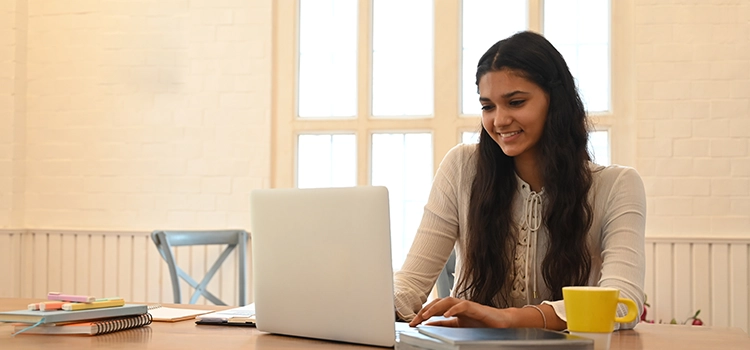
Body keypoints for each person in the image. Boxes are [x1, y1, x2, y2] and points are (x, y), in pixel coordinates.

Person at [393, 31, 646, 331]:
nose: (499, 120)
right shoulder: (461, 167)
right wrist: (368, 304)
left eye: (515, 102)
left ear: (555, 102)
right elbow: (410, 283)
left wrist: (508, 318)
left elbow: (621, 303)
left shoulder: (617, 186)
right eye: (488, 106)